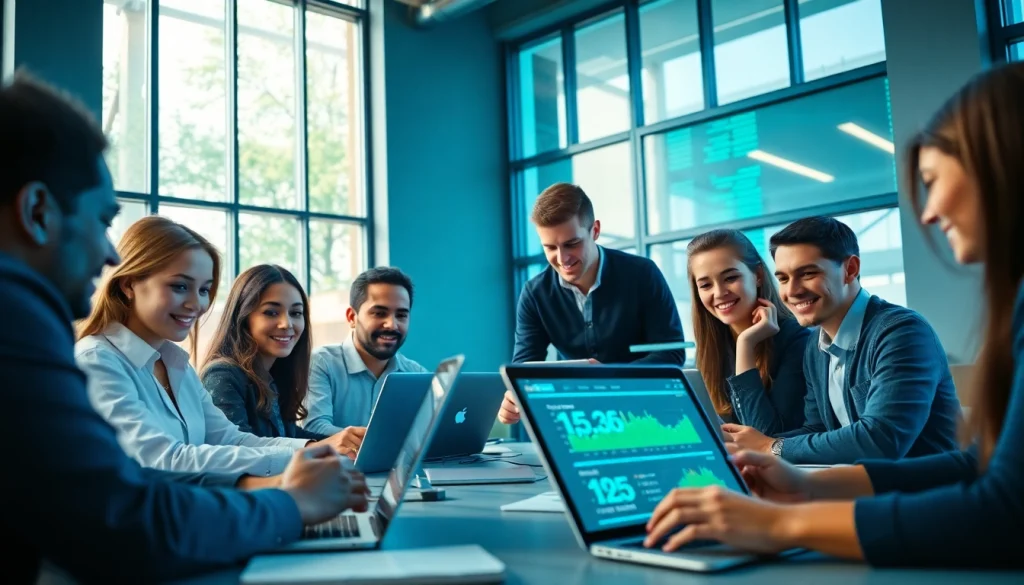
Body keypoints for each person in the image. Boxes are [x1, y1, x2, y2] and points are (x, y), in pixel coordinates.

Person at [642, 62, 1024, 567]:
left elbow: (891, 444)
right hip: (900, 514)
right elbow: (982, 467)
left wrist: (780, 514)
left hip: (920, 525)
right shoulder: (822, 347)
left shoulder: (899, 330)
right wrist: (798, 480)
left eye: (932, 181)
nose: (928, 214)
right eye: (784, 278)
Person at [0, 71, 367, 583]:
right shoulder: (56, 345)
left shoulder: (175, 363)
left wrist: (308, 452)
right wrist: (290, 503)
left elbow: (226, 438)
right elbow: (134, 503)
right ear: (38, 211)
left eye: (202, 289)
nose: (109, 253)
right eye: (104, 222)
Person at [76, 216, 317, 477]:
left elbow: (231, 440)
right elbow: (164, 459)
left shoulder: (177, 366)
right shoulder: (96, 361)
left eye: (204, 290)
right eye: (180, 286)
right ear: (129, 284)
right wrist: (301, 462)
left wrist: (316, 452)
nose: (196, 304)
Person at [722, 216, 960, 464]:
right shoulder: (816, 346)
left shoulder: (902, 332)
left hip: (928, 495)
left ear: (850, 270)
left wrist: (772, 447)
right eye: (783, 278)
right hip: (866, 489)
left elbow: (882, 440)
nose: (792, 291)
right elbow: (817, 429)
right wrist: (751, 445)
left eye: (808, 273)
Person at [499, 183, 686, 425]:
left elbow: (672, 352)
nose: (562, 258)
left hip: (650, 416)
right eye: (550, 247)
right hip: (581, 421)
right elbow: (524, 368)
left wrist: (610, 376)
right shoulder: (535, 294)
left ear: (595, 230)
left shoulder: (642, 274)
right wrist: (514, 397)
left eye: (571, 244)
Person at [201, 264, 356, 456]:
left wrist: (349, 441)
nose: (287, 324)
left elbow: (289, 434)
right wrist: (320, 447)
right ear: (243, 317)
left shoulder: (273, 374)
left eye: (296, 313)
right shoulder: (222, 374)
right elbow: (235, 449)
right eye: (271, 312)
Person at [686, 229, 810, 434]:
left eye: (730, 278)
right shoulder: (712, 348)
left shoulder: (798, 340)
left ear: (758, 275)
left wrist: (745, 344)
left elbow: (765, 438)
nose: (719, 293)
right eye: (706, 285)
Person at [302, 267, 427, 453]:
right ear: (352, 317)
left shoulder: (417, 374)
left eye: (401, 315)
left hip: (398, 477)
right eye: (379, 313)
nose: (392, 324)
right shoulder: (322, 362)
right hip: (337, 476)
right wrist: (380, 442)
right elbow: (314, 427)